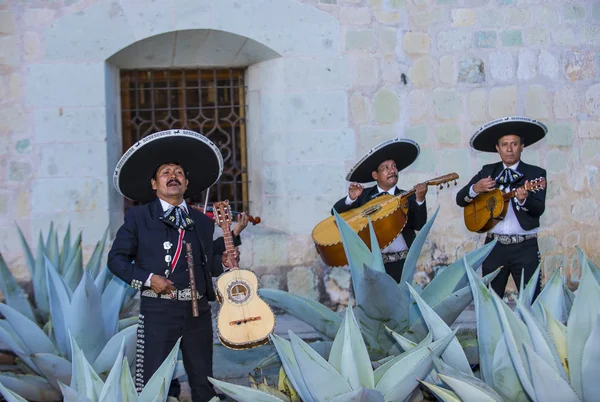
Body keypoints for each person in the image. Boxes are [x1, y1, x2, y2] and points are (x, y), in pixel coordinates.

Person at [108, 129, 239, 401]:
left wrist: (224, 261)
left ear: (186, 183)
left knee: (203, 383)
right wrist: (147, 279)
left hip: (197, 311)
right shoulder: (139, 217)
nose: (173, 176)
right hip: (158, 310)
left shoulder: (202, 221)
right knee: (157, 384)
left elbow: (208, 266)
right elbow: (116, 261)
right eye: (165, 172)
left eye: (178, 172)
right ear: (154, 184)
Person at [456, 116, 547, 300]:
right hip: (494, 246)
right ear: (497, 148)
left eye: (514, 144)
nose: (509, 149)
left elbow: (538, 209)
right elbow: (460, 199)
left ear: (522, 146)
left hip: (525, 247)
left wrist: (524, 200)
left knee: (532, 300)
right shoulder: (487, 172)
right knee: (491, 300)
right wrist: (475, 189)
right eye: (504, 144)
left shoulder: (535, 174)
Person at [332, 138, 428, 282]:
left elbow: (419, 225)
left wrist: (420, 199)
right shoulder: (363, 196)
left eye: (394, 166)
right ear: (375, 175)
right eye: (386, 168)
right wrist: (351, 199)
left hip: (401, 263)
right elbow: (335, 213)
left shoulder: (408, 197)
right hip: (371, 264)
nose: (392, 170)